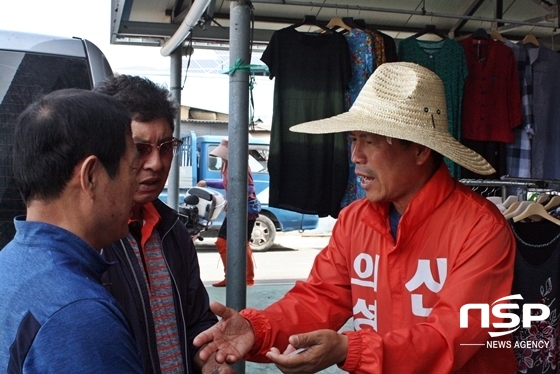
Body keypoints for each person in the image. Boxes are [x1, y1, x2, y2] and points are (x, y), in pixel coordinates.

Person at [193, 62, 517, 373]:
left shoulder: (480, 227)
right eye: (353, 139)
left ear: (420, 150)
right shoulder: (355, 220)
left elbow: (453, 336)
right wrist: (258, 329)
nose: (355, 156)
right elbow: (320, 298)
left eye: (371, 141)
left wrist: (351, 350)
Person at [94, 75, 233, 374]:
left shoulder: (173, 232)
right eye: (140, 148)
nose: (156, 163)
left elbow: (196, 321)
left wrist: (208, 358)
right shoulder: (87, 239)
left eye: (166, 146)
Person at [0, 89, 143, 373]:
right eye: (133, 170)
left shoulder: (10, 262)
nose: (136, 187)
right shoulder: (79, 314)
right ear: (91, 176)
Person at [197, 139, 257, 287]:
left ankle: (246, 279)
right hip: (235, 211)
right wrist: (207, 182)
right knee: (229, 243)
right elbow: (226, 184)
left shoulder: (241, 167)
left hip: (245, 212)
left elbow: (249, 189)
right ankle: (233, 277)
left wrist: (233, 200)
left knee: (234, 243)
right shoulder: (227, 166)